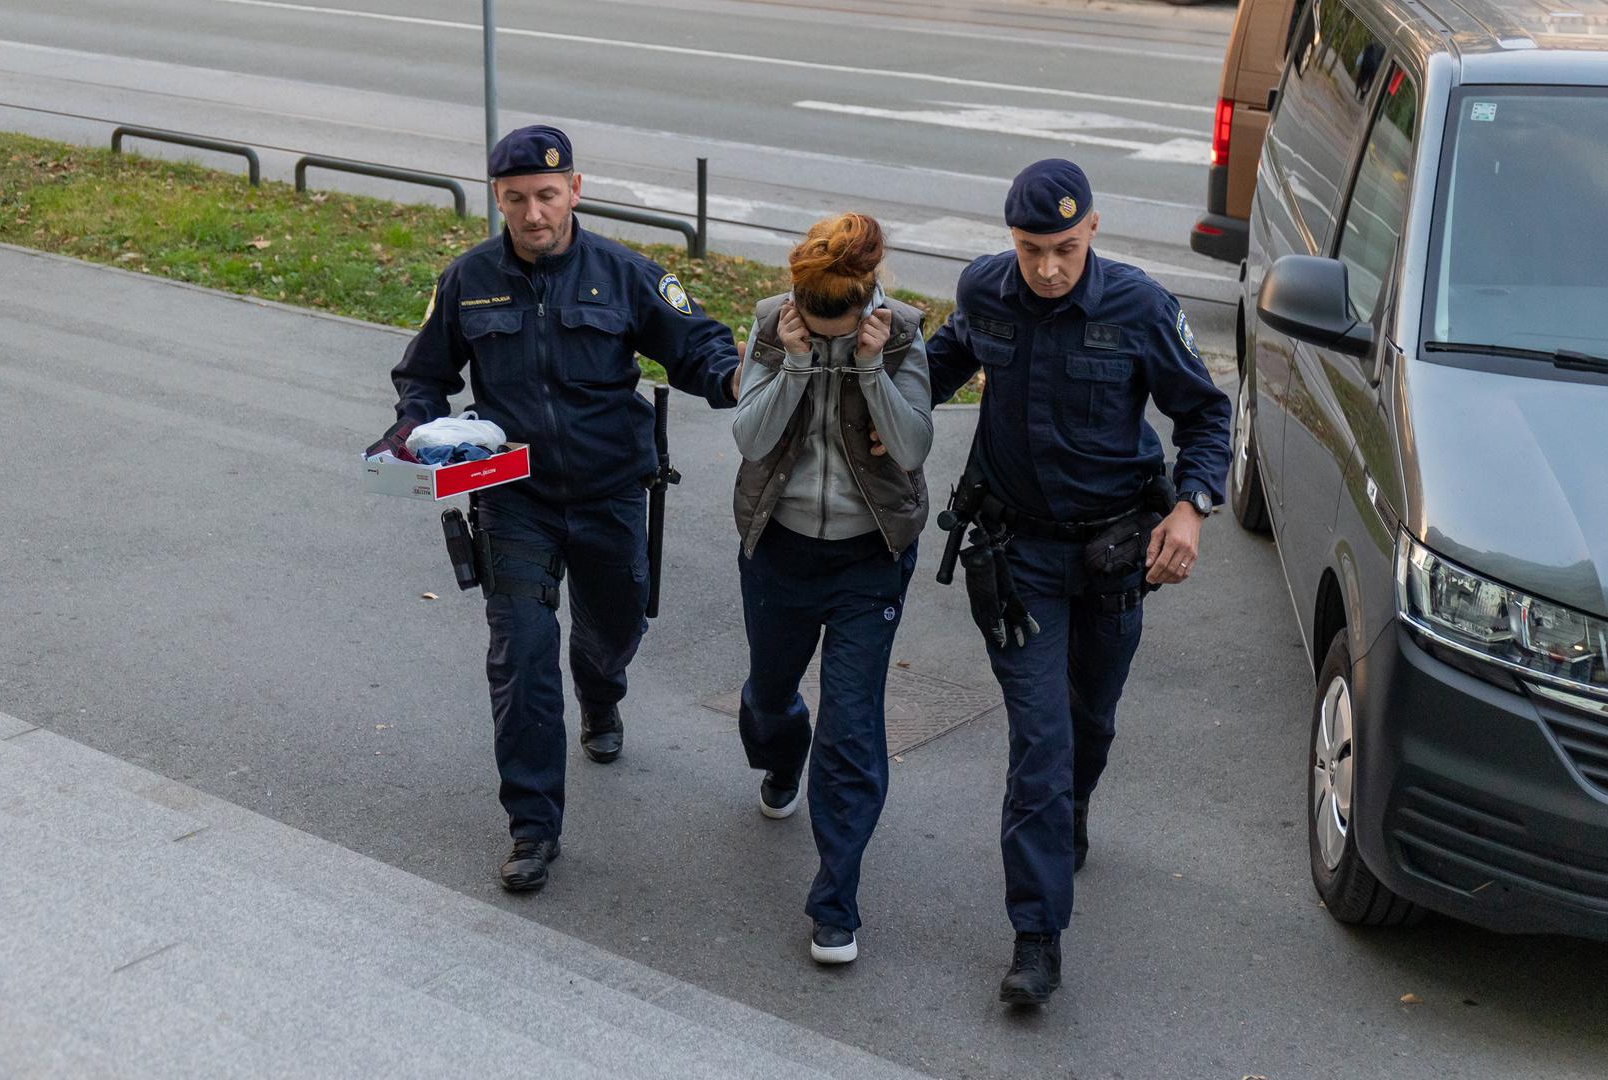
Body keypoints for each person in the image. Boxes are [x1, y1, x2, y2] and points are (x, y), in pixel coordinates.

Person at [368, 125, 742, 893]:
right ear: (496, 199)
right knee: (521, 655)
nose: (532, 213)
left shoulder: (626, 273)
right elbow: (423, 375)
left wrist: (734, 377)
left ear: (575, 189)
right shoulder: (468, 278)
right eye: (515, 199)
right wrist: (413, 429)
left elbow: (699, 348)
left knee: (613, 628)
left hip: (610, 491)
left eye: (546, 195)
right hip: (515, 497)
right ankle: (532, 828)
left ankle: (601, 694)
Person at [923, 159, 1230, 1004]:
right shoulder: (985, 291)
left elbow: (1204, 412)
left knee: (1089, 721)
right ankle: (1036, 938)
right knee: (1041, 742)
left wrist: (1192, 509)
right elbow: (940, 364)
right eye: (1029, 249)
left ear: (1092, 229)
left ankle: (1073, 811)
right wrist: (881, 394)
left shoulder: (1138, 306)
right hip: (1016, 555)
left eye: (1062, 247)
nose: (1047, 268)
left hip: (1112, 555)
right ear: (1008, 241)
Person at [731, 213, 933, 965]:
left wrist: (868, 368)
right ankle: (782, 757)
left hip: (866, 559)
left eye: (838, 331)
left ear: (867, 302)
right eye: (816, 328)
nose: (827, 339)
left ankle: (835, 902)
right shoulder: (769, 324)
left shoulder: (903, 333)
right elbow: (750, 437)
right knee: (766, 696)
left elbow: (911, 445)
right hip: (778, 551)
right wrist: (794, 363)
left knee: (851, 728)